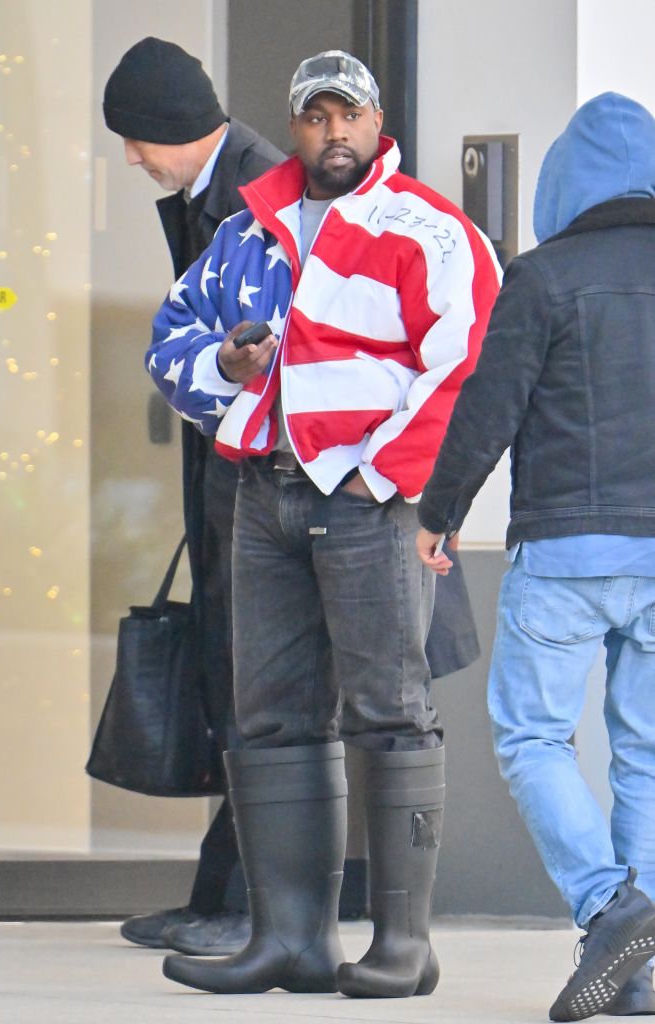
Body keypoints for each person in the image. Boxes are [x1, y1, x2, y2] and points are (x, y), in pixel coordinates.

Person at [145, 49, 500, 997]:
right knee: (268, 714)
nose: (334, 132)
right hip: (261, 491)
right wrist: (225, 366)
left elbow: (466, 362)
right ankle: (289, 941)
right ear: (295, 126)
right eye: (315, 116)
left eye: (349, 115)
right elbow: (169, 339)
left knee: (389, 709)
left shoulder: (426, 227)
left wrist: (382, 477)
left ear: (377, 123)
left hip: (367, 499)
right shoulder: (246, 231)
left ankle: (403, 945)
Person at [416, 92, 655, 1021]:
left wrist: (439, 514)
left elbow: (490, 405)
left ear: (563, 184)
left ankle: (607, 907)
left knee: (531, 737)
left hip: (564, 551)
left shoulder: (542, 276)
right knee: (646, 750)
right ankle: (639, 964)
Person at [103, 36, 284, 957]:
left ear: (170, 127)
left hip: (266, 495)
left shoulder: (256, 198)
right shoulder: (214, 193)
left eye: (134, 139)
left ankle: (256, 907)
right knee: (238, 685)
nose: (131, 158)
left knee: (262, 693)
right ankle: (222, 895)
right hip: (235, 488)